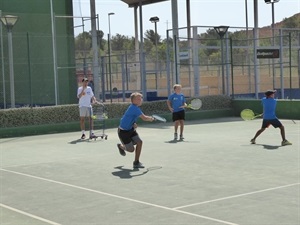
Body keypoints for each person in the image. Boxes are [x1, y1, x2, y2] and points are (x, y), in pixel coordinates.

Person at [117, 92, 155, 169]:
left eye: (141, 98)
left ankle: (136, 162)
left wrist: (133, 123)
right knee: (131, 150)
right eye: (138, 99)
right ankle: (121, 146)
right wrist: (151, 119)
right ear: (133, 100)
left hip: (131, 129)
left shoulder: (135, 108)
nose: (140, 100)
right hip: (123, 132)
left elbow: (129, 117)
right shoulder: (134, 108)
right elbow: (144, 118)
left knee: (140, 142)